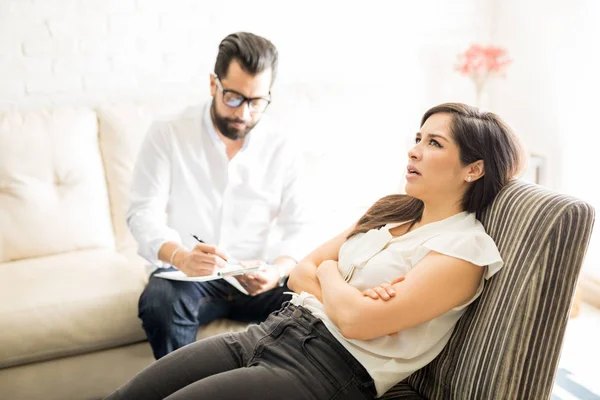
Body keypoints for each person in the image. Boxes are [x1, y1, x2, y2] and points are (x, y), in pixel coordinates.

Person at [108, 103, 525, 399]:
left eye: (434, 143)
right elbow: (298, 272)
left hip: (327, 368)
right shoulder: (392, 210)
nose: (414, 150)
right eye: (418, 138)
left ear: (474, 168)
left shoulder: (464, 250)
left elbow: (356, 320)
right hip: (275, 329)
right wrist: (345, 293)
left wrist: (331, 278)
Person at [127, 32, 309, 360]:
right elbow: (143, 212)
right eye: (234, 98)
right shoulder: (168, 131)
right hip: (188, 276)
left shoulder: (283, 144)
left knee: (317, 297)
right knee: (160, 303)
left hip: (258, 276)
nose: (243, 114)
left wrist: (278, 271)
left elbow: (300, 226)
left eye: (256, 102)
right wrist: (180, 256)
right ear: (214, 84)